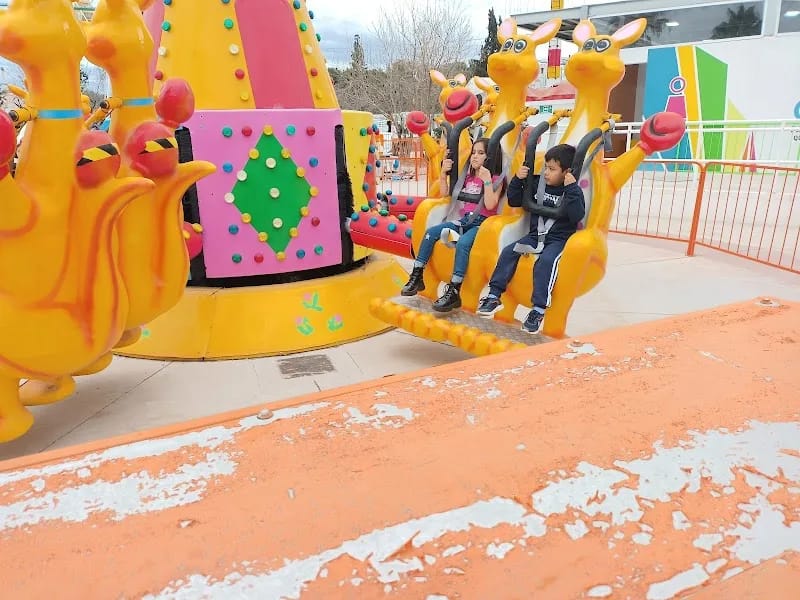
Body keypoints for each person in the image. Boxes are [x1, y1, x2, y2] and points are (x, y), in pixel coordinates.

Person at [476, 143, 585, 334]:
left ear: (566, 172)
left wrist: (573, 187)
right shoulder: (538, 184)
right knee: (509, 251)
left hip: (558, 240)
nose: (546, 173)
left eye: (552, 170)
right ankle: (494, 295)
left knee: (545, 262)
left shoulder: (573, 191)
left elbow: (576, 215)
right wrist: (518, 179)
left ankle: (538, 310)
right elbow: (515, 200)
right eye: (545, 168)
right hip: (535, 236)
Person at [401, 137, 505, 312]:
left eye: (481, 153)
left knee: (463, 243)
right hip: (464, 221)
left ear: (491, 157)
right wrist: (443, 173)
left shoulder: (495, 179)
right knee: (431, 232)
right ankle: (417, 275)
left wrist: (486, 180)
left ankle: (454, 289)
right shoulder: (468, 177)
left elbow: (490, 204)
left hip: (481, 226)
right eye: (474, 153)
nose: (475, 157)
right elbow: (444, 194)